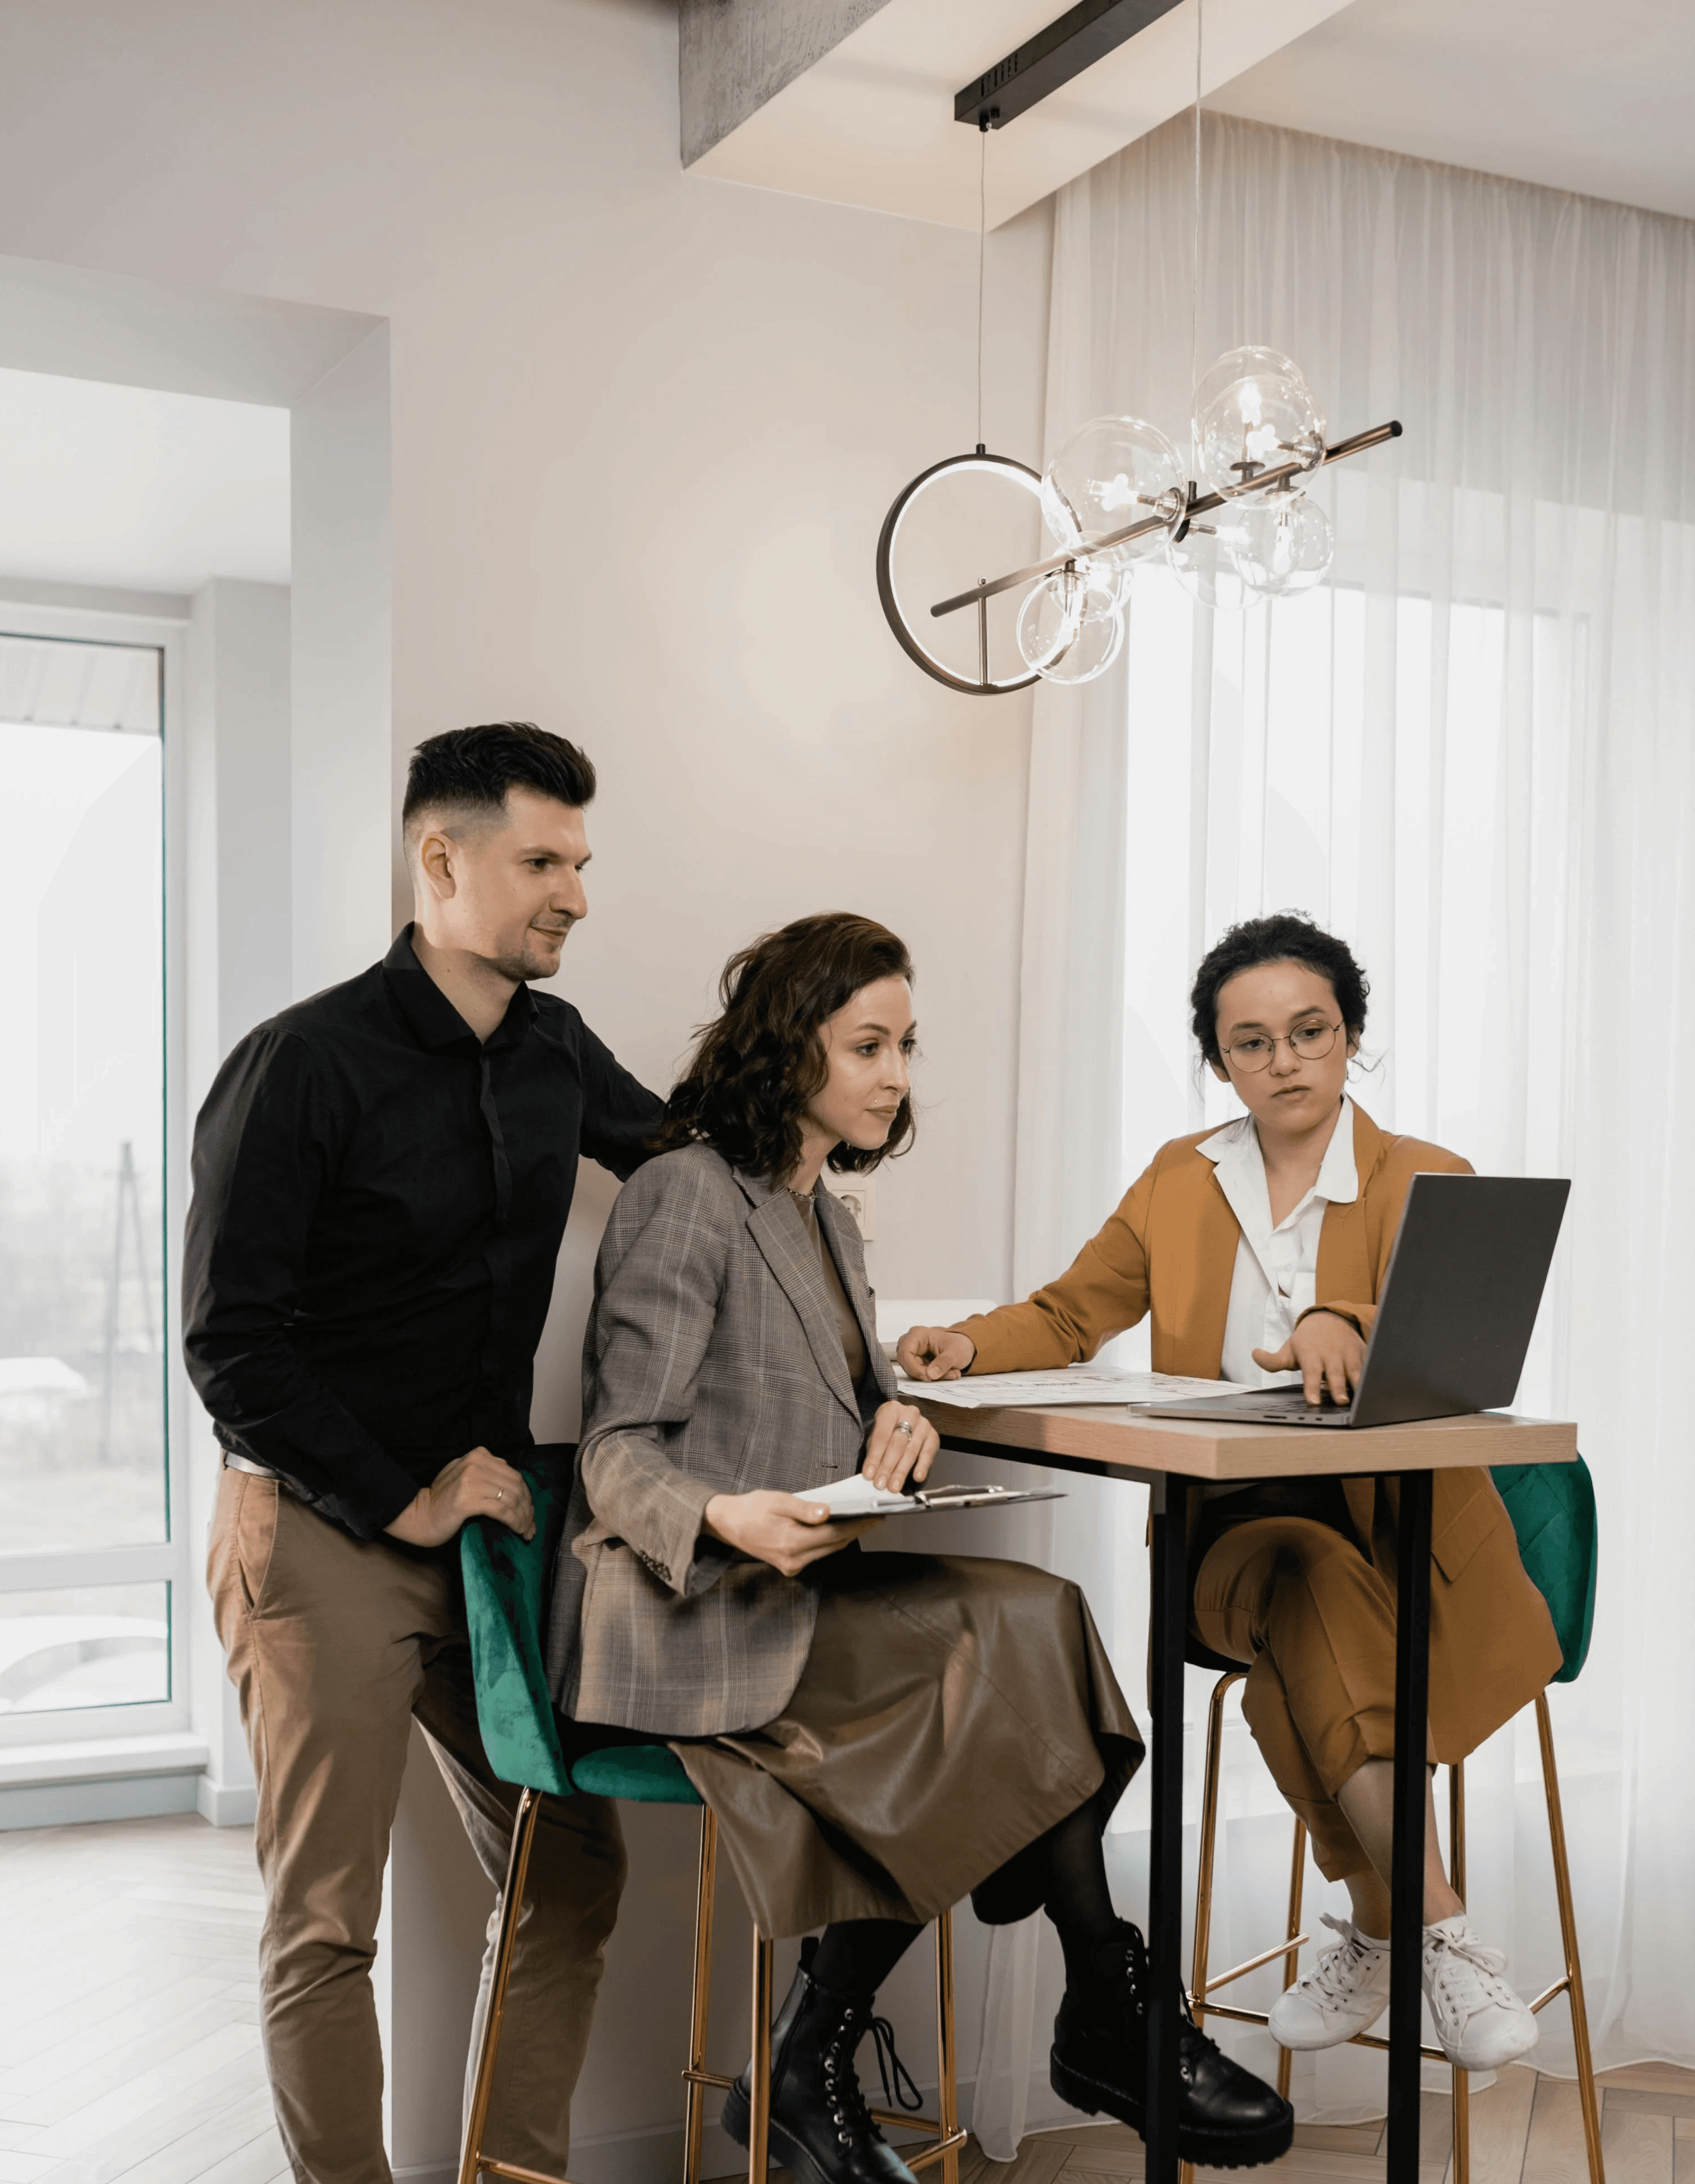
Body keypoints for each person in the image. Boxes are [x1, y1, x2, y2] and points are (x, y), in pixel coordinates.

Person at [545, 911, 1294, 2180]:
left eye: (906, 1045)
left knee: (1041, 1614)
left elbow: (818, 1405)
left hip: (808, 1583)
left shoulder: (826, 1218)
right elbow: (618, 1447)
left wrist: (888, 1416)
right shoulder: (686, 1192)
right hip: (692, 1601)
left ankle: (836, 2051)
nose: (897, 1074)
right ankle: (1096, 2010)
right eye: (869, 1045)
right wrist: (727, 1513)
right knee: (1001, 1672)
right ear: (790, 1051)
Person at [898, 913, 1562, 2074]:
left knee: (1309, 1623)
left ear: (1352, 1035)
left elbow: (1456, 1345)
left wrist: (1338, 1320)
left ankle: (1376, 1924)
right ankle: (1438, 1932)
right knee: (1296, 1585)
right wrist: (964, 1340)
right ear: (1219, 1060)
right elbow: (1068, 1314)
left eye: (1310, 1031)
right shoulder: (1178, 1177)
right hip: (1221, 1538)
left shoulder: (1428, 1178)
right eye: (1251, 1042)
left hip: (1404, 1547)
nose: (1285, 1059)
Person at [183, 722, 663, 2184]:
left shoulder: (553, 1052)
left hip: (478, 1547)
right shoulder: (301, 1062)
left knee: (572, 1861)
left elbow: (690, 1154)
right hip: (321, 1525)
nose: (573, 892)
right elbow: (232, 1342)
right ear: (439, 859)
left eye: (581, 862)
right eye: (541, 861)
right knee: (326, 1920)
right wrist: (404, 1487)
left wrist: (841, 1086)